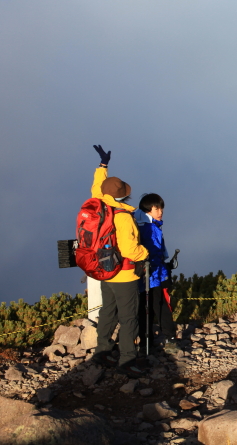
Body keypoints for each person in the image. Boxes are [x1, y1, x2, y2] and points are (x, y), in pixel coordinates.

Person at [89, 145, 149, 378]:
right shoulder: (122, 216)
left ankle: (102, 351)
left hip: (104, 271)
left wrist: (102, 167)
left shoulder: (99, 205)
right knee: (128, 317)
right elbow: (129, 250)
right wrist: (145, 254)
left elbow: (97, 187)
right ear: (124, 194)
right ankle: (127, 360)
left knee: (108, 311)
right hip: (124, 274)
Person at [135, 193, 177, 353]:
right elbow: (154, 252)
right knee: (160, 306)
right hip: (153, 275)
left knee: (143, 308)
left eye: (161, 208)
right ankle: (169, 338)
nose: (160, 211)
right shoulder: (151, 228)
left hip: (142, 275)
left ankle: (146, 341)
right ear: (148, 210)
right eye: (156, 208)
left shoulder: (140, 224)